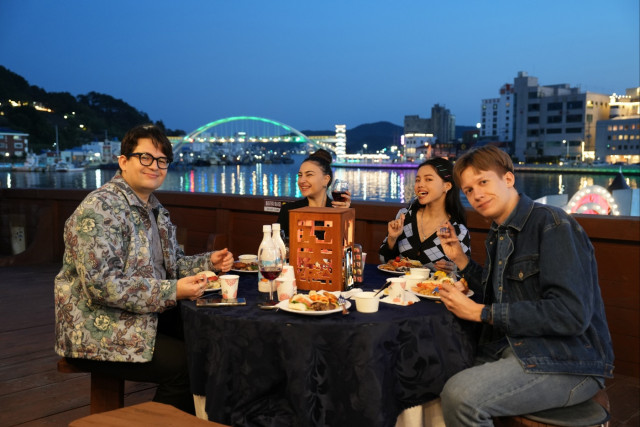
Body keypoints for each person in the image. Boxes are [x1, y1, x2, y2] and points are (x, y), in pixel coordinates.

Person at [54, 124, 234, 414]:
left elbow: (172, 266)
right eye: (146, 157)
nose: (155, 166)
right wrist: (173, 290)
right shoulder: (100, 208)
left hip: (142, 315)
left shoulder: (154, 209)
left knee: (215, 339)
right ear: (123, 161)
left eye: (162, 160)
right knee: (187, 366)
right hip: (95, 328)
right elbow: (102, 286)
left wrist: (208, 262)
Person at [436, 145, 614, 426]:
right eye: (468, 190)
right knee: (434, 368)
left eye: (483, 182)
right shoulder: (499, 231)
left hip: (570, 362)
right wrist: (460, 260)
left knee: (461, 396)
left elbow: (570, 314)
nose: (476, 195)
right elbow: (499, 294)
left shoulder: (553, 224)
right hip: (516, 347)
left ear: (508, 179)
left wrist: (479, 313)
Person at [379, 157, 470, 273]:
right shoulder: (404, 216)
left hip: (433, 285)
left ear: (447, 186)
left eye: (428, 179)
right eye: (417, 180)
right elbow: (383, 261)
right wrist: (392, 238)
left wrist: (453, 269)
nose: (420, 184)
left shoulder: (458, 231)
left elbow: (465, 274)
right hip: (399, 283)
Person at [277, 149, 351, 237]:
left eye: (309, 175)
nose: (302, 180)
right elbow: (278, 243)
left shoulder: (337, 211)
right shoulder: (288, 211)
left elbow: (345, 242)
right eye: (300, 175)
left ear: (326, 179)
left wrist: (344, 215)